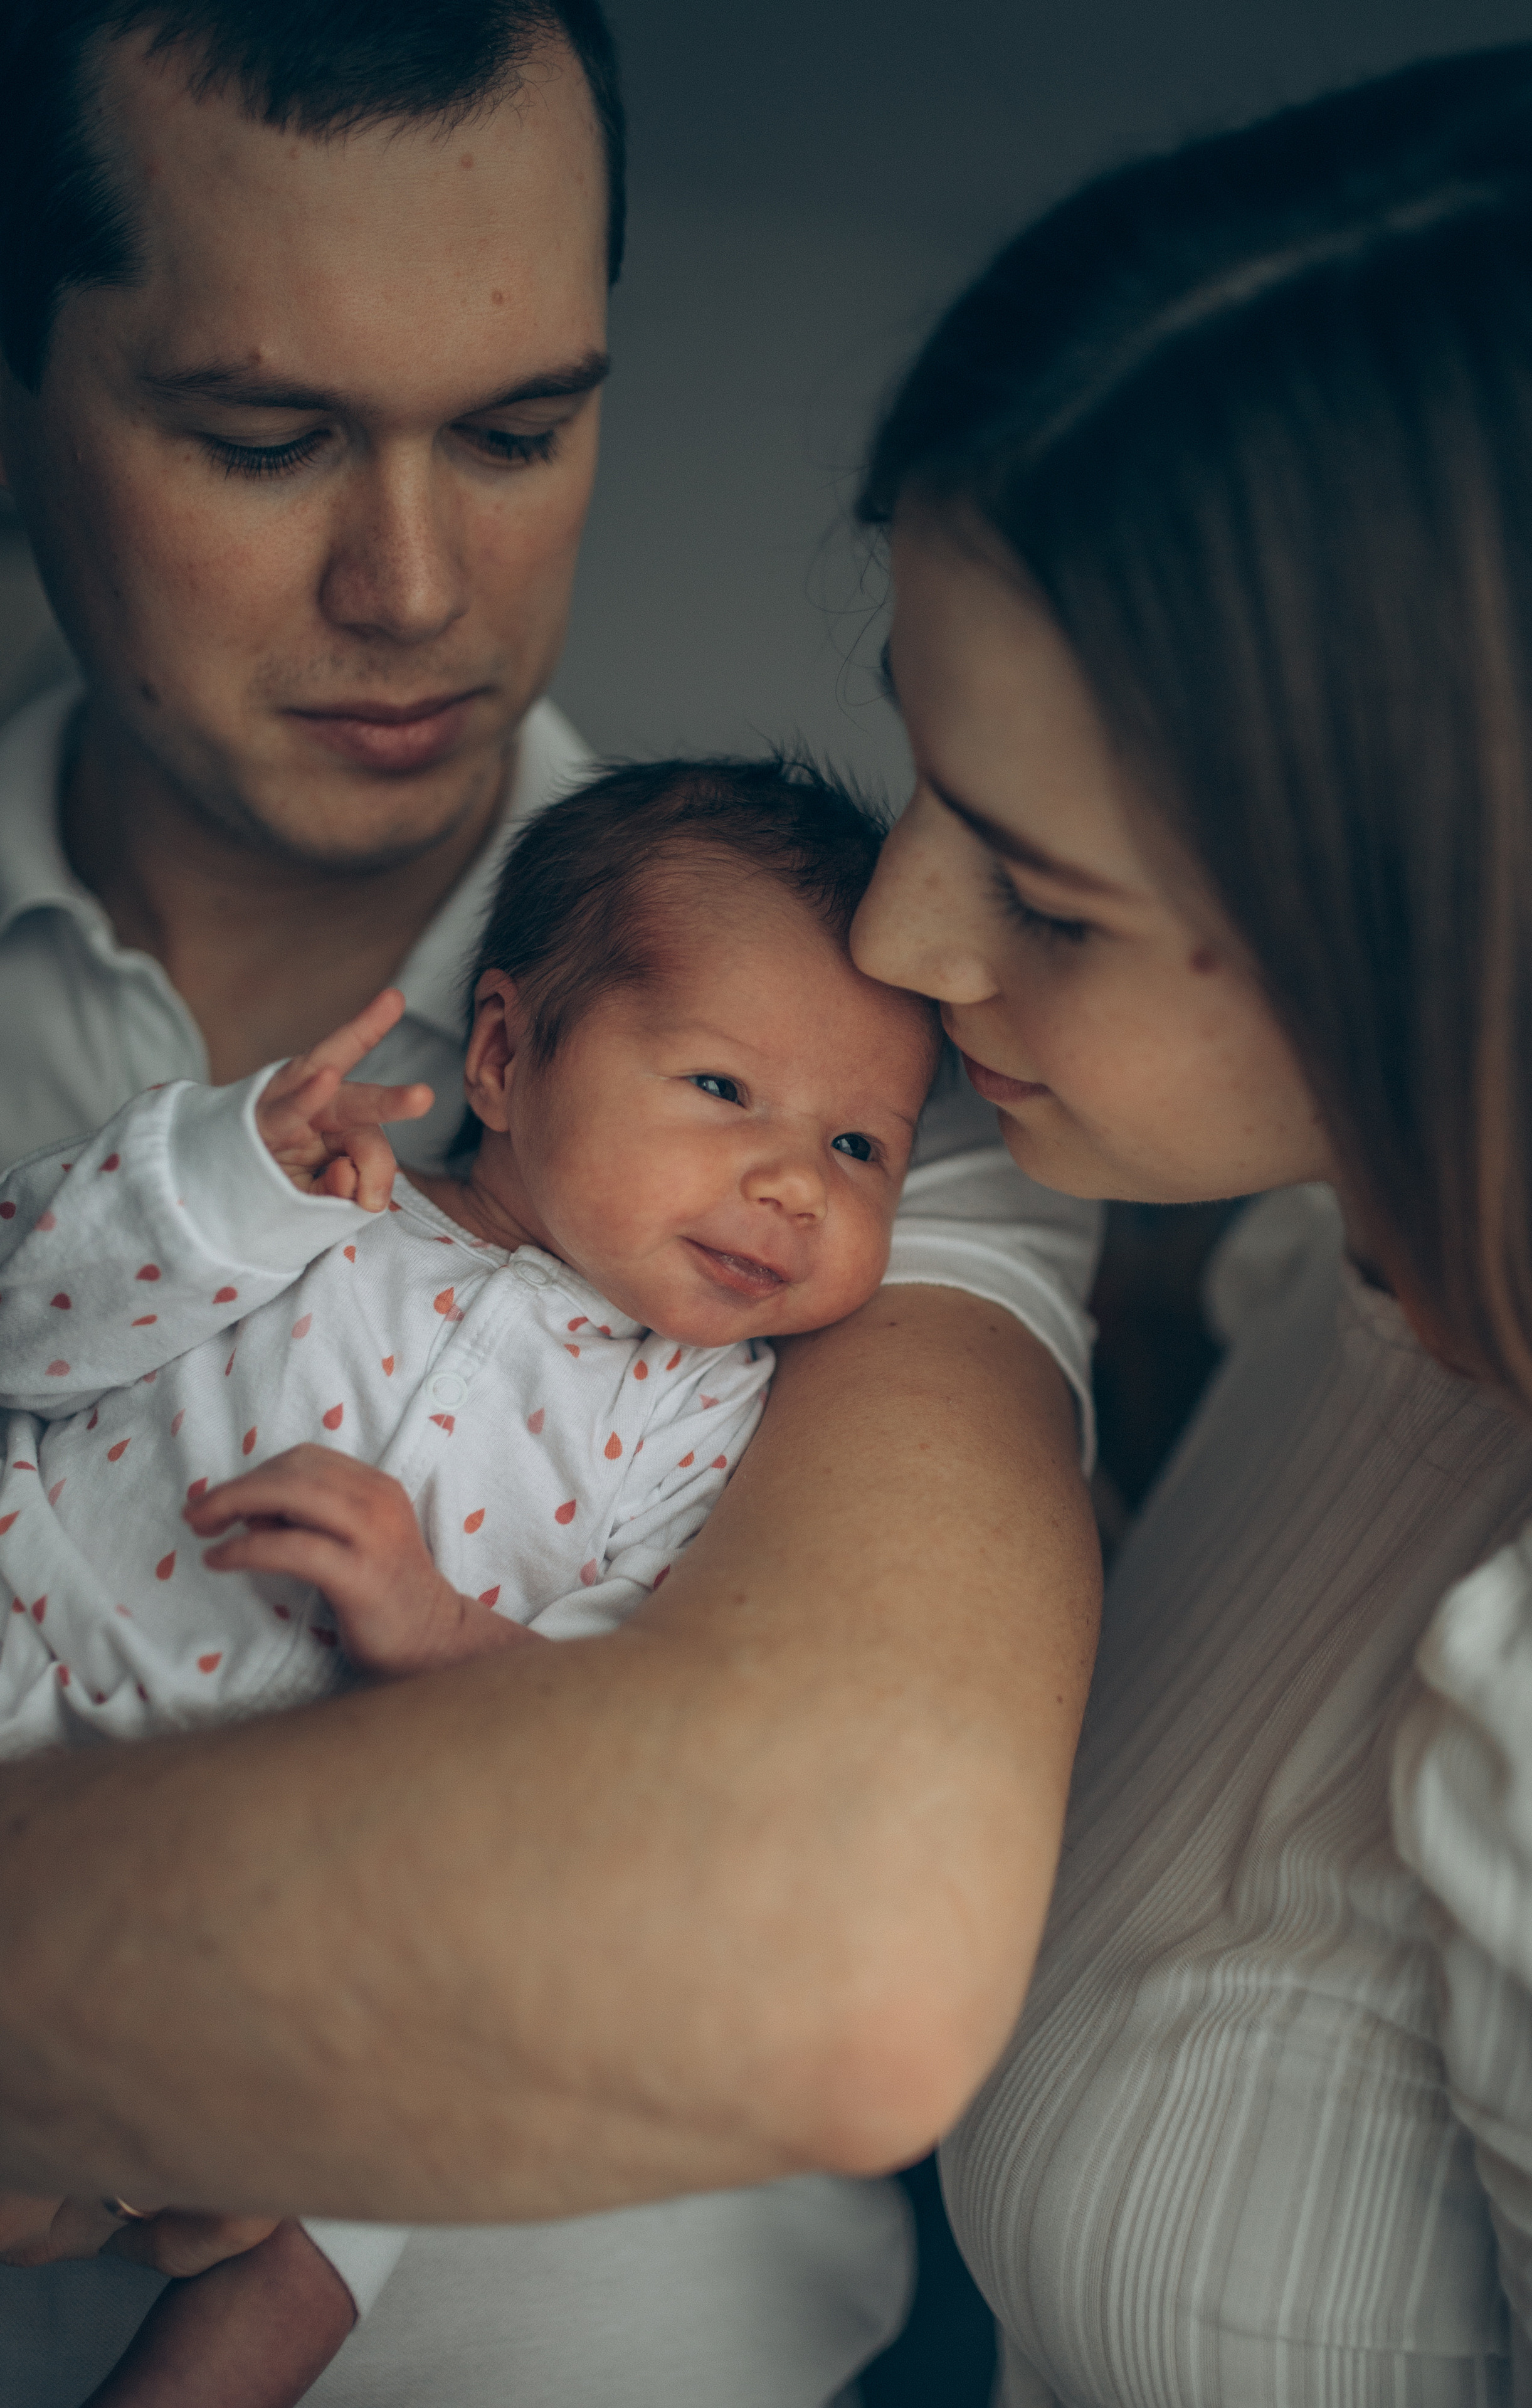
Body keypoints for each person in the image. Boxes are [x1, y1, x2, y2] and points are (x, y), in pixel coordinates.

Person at [0, 6, 1102, 2405]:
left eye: (518, 429)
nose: (412, 586)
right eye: (260, 435)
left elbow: (820, 1912)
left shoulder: (920, 1053)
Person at [845, 38, 1532, 2406]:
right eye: (915, 766)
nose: (895, 936)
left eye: (1046, 900)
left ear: (1453, 927)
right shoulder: (1341, 1247)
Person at [1, 757, 943, 2405]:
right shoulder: (316, 1212)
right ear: (504, 1055)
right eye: (725, 1091)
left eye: (861, 1143)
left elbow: (615, 1735)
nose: (796, 1182)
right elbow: (31, 1323)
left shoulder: (706, 1420)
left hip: (272, 1891)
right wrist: (227, 1178)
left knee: (385, 2155)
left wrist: (439, 1629)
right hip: (28, 1663)